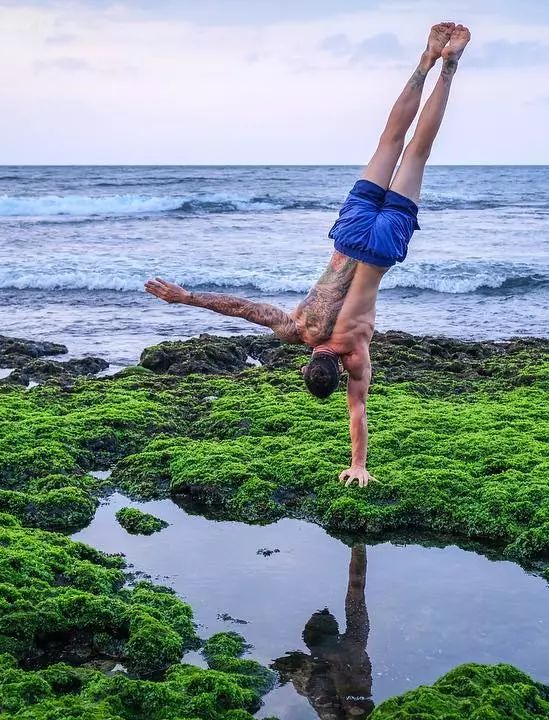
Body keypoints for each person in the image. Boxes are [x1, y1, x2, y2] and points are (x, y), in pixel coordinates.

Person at [145, 22, 471, 488]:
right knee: (390, 143)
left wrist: (358, 464)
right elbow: (241, 308)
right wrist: (186, 296)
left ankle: (450, 66)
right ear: (304, 364)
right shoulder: (296, 328)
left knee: (418, 154)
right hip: (350, 238)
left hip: (381, 250)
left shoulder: (355, 354)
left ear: (336, 371)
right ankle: (426, 59)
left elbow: (357, 409)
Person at [271, 544, 374, 719]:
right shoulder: (354, 643)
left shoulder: (313, 673)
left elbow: (357, 587)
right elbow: (357, 586)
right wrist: (359, 544)